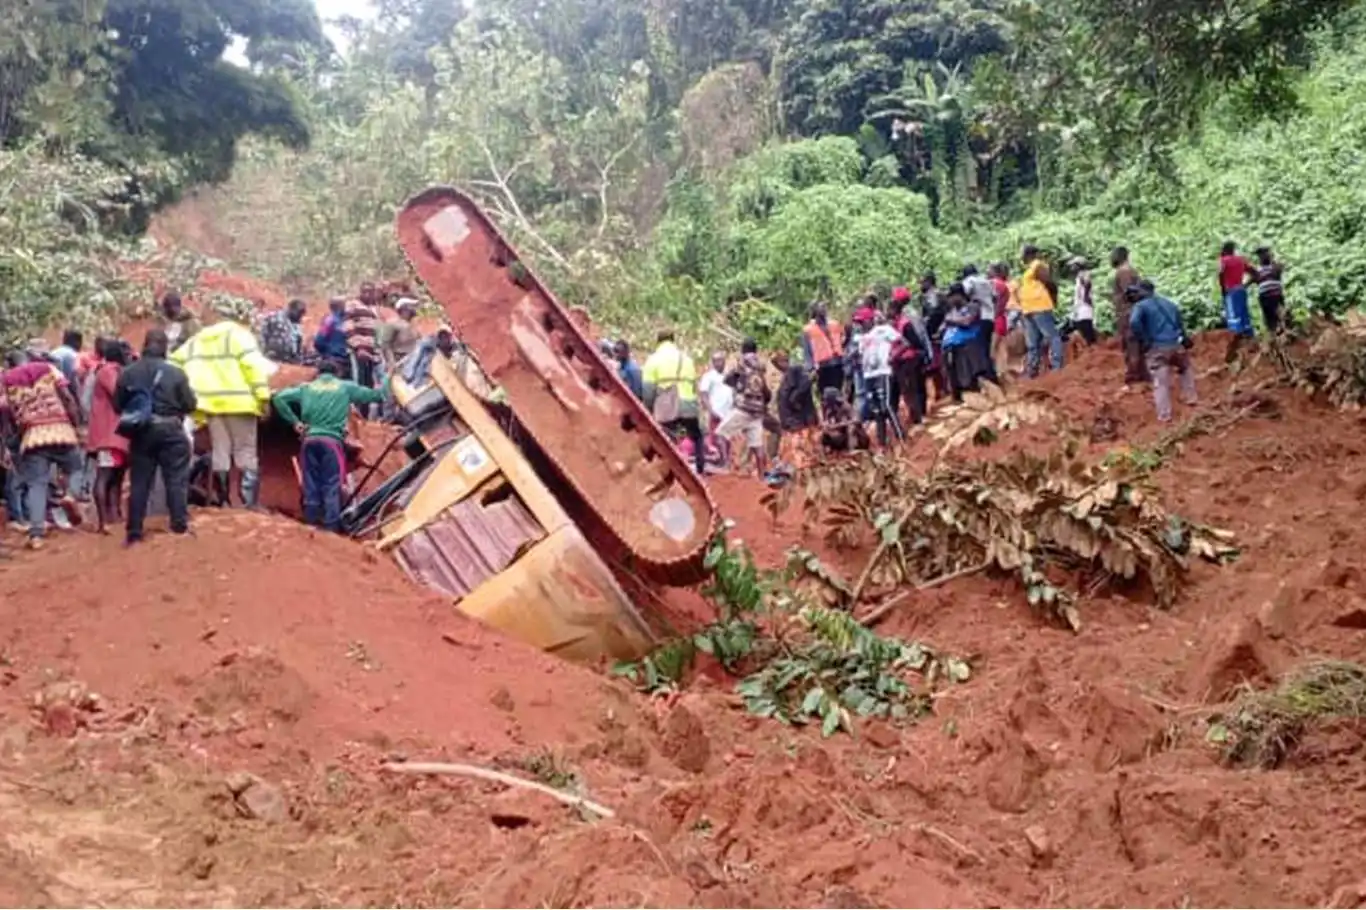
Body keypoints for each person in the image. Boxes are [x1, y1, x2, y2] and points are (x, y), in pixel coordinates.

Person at [171, 297, 274, 508]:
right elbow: (253, 367)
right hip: (241, 403)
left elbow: (174, 361)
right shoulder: (239, 335)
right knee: (245, 451)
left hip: (211, 405)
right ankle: (248, 503)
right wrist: (263, 397)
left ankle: (224, 501)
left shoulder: (198, 339)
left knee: (220, 451)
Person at [272, 360, 386, 532]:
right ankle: (331, 528)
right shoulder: (344, 387)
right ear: (337, 373)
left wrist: (295, 422)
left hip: (309, 440)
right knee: (331, 484)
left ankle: (310, 524)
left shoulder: (307, 388)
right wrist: (385, 381)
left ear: (318, 373)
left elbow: (279, 398)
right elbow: (376, 396)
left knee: (310, 482)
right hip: (332, 442)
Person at [117, 329, 198, 545]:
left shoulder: (128, 373)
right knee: (176, 479)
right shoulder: (176, 373)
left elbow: (119, 405)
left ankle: (134, 531)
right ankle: (179, 525)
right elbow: (190, 405)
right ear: (164, 348)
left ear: (145, 345)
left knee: (140, 482)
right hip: (171, 429)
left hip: (142, 432)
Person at [0, 351, 84, 549]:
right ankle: (71, 495)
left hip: (32, 435)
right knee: (75, 468)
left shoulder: (7, 380)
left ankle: (36, 535)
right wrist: (75, 423)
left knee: (37, 484)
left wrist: (13, 441)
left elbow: (7, 413)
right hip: (60, 428)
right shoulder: (47, 369)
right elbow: (67, 396)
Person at [1128, 283, 1197, 423]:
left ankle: (1165, 415)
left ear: (1144, 291)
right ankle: (1191, 398)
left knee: (1160, 382)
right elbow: (1180, 324)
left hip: (1157, 348)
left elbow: (1134, 322)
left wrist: (1144, 339)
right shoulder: (1169, 303)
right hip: (1176, 345)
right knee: (1185, 368)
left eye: (1137, 292)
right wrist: (1183, 338)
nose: (1135, 295)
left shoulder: (1141, 306)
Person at [642, 329, 704, 476]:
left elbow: (648, 390)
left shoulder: (653, 360)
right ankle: (700, 470)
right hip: (689, 404)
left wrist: (649, 409)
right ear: (673, 340)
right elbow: (694, 386)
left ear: (658, 341)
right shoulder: (687, 359)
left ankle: (671, 472)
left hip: (667, 407)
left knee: (667, 440)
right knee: (697, 436)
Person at [85, 339, 131, 534]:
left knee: (117, 475)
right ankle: (104, 521)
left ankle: (114, 514)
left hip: (116, 433)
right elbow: (119, 394)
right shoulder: (108, 371)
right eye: (126, 353)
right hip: (108, 433)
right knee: (105, 475)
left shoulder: (112, 370)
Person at [716, 339, 770, 476]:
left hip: (743, 408)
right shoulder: (762, 365)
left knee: (721, 434)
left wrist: (737, 383)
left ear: (743, 350)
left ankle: (725, 465)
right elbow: (765, 389)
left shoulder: (741, 362)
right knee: (757, 445)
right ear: (755, 350)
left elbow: (727, 379)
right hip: (758, 410)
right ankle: (762, 477)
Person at [858, 312, 905, 446]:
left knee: (887, 406)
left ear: (871, 320)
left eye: (863, 321)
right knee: (876, 410)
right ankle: (882, 444)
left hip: (882, 372)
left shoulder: (883, 330)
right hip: (868, 375)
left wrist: (893, 356)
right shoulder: (863, 338)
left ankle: (901, 438)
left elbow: (902, 341)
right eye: (859, 322)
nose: (861, 325)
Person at [941, 282, 993, 399]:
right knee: (957, 377)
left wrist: (952, 321)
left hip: (970, 345)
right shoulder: (953, 311)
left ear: (959, 295)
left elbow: (967, 322)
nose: (950, 300)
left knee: (973, 375)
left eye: (952, 297)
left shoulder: (973, 306)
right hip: (954, 347)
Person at [1018, 245, 1064, 377]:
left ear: (1029, 254)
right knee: (1032, 342)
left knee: (1052, 336)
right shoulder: (1030, 269)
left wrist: (1054, 300)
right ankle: (1032, 370)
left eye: (1023, 254)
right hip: (1029, 309)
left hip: (1040, 307)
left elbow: (1050, 284)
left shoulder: (1039, 266)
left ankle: (1057, 366)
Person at [1110, 247, 1148, 386]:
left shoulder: (1123, 272)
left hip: (1128, 315)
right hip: (1133, 313)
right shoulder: (1129, 271)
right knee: (1137, 345)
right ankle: (1143, 375)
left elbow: (1130, 293)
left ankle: (1134, 377)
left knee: (1131, 345)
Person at [801, 302, 846, 411]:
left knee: (838, 393)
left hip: (837, 363)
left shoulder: (835, 324)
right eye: (821, 308)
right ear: (815, 312)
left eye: (825, 308)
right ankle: (827, 416)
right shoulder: (808, 330)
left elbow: (843, 339)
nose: (823, 310)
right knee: (824, 395)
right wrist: (810, 368)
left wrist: (845, 357)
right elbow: (807, 351)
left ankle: (839, 416)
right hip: (821, 367)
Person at [1218, 241, 1256, 362]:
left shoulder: (1224, 261)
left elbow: (1220, 273)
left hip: (1231, 291)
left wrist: (1223, 288)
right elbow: (1254, 272)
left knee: (1233, 316)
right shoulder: (1241, 260)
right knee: (1244, 314)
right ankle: (1250, 340)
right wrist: (1246, 284)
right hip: (1241, 289)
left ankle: (1236, 346)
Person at [961, 265, 998, 379]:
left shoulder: (969, 281)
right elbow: (995, 297)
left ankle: (984, 373)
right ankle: (991, 372)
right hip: (990, 317)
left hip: (979, 316)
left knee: (979, 347)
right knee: (986, 346)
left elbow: (964, 292)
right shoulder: (986, 281)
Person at [697, 350, 734, 467]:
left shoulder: (729, 375)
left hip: (729, 413)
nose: (718, 363)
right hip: (716, 412)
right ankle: (723, 461)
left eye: (720, 360)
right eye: (715, 361)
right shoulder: (709, 377)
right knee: (717, 437)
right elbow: (703, 394)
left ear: (724, 361)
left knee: (727, 438)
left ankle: (725, 461)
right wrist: (710, 410)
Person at [344, 284, 382, 395]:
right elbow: (348, 325)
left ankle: (364, 411)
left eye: (370, 292)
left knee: (368, 383)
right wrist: (358, 347)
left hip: (371, 351)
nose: (367, 294)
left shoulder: (373, 308)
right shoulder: (353, 305)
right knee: (359, 382)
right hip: (358, 351)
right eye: (364, 291)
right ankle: (357, 409)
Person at [819, 387, 869, 454]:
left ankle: (852, 449)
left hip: (856, 438)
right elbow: (824, 422)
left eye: (826, 399)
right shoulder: (827, 409)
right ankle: (825, 453)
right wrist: (827, 426)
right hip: (841, 436)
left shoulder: (845, 406)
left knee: (851, 427)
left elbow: (857, 420)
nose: (824, 401)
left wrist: (839, 425)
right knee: (824, 434)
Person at [258, 298, 307, 364]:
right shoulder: (274, 318)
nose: (300, 316)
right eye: (299, 312)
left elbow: (298, 342)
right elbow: (262, 334)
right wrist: (263, 353)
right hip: (272, 358)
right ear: (291, 308)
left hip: (289, 361)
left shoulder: (296, 324)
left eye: (301, 314)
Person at [1252, 246, 1287, 336]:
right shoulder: (1261, 270)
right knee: (1273, 316)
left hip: (1270, 296)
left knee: (1274, 317)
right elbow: (1249, 281)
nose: (1263, 257)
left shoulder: (1271, 268)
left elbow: (1281, 266)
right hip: (1270, 296)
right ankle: (1277, 330)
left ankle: (1278, 330)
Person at [380, 298, 422, 371]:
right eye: (412, 307)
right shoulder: (392, 323)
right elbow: (385, 345)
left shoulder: (413, 326)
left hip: (412, 362)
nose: (414, 310)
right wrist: (391, 362)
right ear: (404, 309)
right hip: (398, 362)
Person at [314, 297, 351, 367]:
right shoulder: (330, 321)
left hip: (341, 359)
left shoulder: (335, 320)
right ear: (340, 306)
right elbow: (319, 341)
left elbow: (318, 342)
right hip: (335, 359)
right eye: (345, 304)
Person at [1071, 266, 1098, 345]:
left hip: (1083, 312)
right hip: (1083, 312)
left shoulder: (1082, 276)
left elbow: (1081, 295)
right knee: (1087, 338)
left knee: (1087, 338)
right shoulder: (1081, 278)